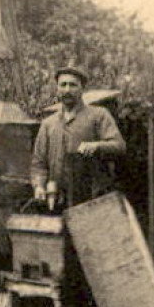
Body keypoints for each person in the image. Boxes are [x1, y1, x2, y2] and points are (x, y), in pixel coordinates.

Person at [30, 66, 125, 211]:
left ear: (82, 88)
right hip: (56, 199)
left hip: (92, 199)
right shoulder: (48, 124)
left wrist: (97, 146)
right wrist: (39, 186)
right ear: (57, 89)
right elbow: (39, 163)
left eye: (73, 85)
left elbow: (119, 146)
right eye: (63, 85)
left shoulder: (98, 115)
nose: (67, 90)